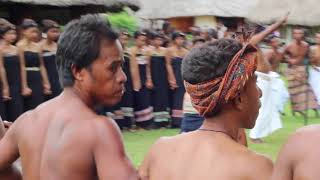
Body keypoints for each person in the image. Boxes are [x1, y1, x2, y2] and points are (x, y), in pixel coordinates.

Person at [0, 14, 137, 180]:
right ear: (78, 71)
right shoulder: (98, 129)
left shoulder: (26, 122)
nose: (122, 77)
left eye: (121, 66)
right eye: (113, 68)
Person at [139, 39, 273, 180]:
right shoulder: (257, 167)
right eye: (255, 82)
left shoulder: (160, 150)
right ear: (238, 98)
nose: (260, 92)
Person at [248, 15, 288, 143]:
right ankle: (255, 136)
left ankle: (258, 134)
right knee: (263, 108)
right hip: (260, 80)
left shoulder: (257, 45)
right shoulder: (251, 41)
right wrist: (278, 23)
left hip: (265, 79)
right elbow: (267, 33)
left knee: (268, 108)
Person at [17, 19, 51, 111]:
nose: (34, 34)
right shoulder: (19, 46)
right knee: (30, 106)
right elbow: (22, 66)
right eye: (31, 32)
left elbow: (42, 66)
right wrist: (24, 86)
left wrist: (46, 82)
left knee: (40, 105)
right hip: (27, 77)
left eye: (35, 32)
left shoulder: (38, 46)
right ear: (24, 32)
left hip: (37, 77)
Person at [284, 27, 319, 116]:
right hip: (292, 71)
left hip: (302, 70)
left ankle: (315, 109)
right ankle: (296, 111)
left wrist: (311, 65)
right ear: (293, 35)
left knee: (307, 91)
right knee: (294, 92)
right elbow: (283, 56)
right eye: (296, 33)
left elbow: (309, 58)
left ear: (303, 35)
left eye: (300, 33)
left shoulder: (306, 46)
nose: (298, 35)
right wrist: (289, 60)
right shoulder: (289, 46)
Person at [0, 21, 24, 122]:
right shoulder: (0, 49)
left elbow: (22, 66)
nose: (13, 36)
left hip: (16, 82)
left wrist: (23, 85)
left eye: (14, 33)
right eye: (10, 34)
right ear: (3, 35)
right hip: (3, 81)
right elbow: (1, 67)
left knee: (16, 109)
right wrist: (5, 86)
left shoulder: (17, 49)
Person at [130, 31, 154, 129]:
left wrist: (149, 79)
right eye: (141, 40)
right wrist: (135, 81)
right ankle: (138, 123)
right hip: (135, 78)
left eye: (144, 40)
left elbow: (148, 66)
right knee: (137, 100)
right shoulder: (132, 50)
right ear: (136, 39)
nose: (143, 42)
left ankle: (146, 123)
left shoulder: (146, 51)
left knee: (145, 100)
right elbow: (132, 68)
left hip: (144, 77)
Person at [166, 32, 188, 128]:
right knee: (173, 97)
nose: (180, 41)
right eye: (178, 39)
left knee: (181, 97)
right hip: (173, 75)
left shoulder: (185, 51)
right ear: (174, 40)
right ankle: (173, 121)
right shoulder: (169, 50)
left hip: (182, 76)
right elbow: (168, 64)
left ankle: (179, 120)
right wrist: (171, 78)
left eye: (182, 39)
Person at [147, 33, 170, 127]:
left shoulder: (166, 51)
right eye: (156, 39)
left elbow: (168, 65)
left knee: (164, 98)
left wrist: (170, 78)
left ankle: (164, 121)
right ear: (153, 40)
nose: (158, 42)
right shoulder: (149, 51)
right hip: (154, 78)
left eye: (160, 40)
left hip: (163, 78)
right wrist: (149, 79)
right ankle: (156, 121)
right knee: (155, 98)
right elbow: (148, 66)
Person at [265, 35, 289, 114]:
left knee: (284, 94)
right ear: (271, 43)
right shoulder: (270, 52)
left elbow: (285, 60)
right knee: (274, 94)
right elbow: (264, 64)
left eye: (278, 41)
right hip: (269, 76)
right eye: (275, 41)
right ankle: (276, 110)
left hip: (276, 76)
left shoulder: (279, 53)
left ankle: (277, 109)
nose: (277, 43)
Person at [40, 19, 62, 100]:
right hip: (46, 78)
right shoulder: (39, 46)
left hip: (58, 78)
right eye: (53, 31)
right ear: (45, 32)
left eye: (57, 31)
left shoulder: (57, 46)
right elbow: (41, 65)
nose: (56, 34)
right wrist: (45, 83)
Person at [309, 32, 320, 105]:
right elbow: (309, 60)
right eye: (317, 37)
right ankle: (316, 104)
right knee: (315, 89)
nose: (318, 39)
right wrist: (315, 68)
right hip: (315, 70)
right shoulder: (312, 48)